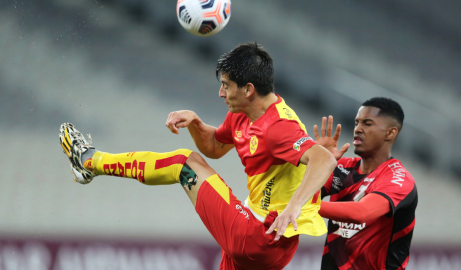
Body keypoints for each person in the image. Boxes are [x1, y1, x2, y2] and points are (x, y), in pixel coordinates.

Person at [59, 42, 337, 270]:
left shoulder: (278, 126)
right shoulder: (243, 115)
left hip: (261, 237)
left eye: (226, 85)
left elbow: (324, 159)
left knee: (184, 163)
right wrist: (195, 123)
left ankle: (89, 162)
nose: (220, 93)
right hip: (262, 236)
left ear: (249, 89)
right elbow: (215, 147)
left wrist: (293, 207)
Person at [313, 97, 417, 270]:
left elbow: (361, 212)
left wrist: (302, 205)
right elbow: (300, 192)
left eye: (367, 124)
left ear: (390, 133)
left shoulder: (398, 178)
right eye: (356, 123)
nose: (358, 129)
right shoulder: (342, 168)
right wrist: (317, 164)